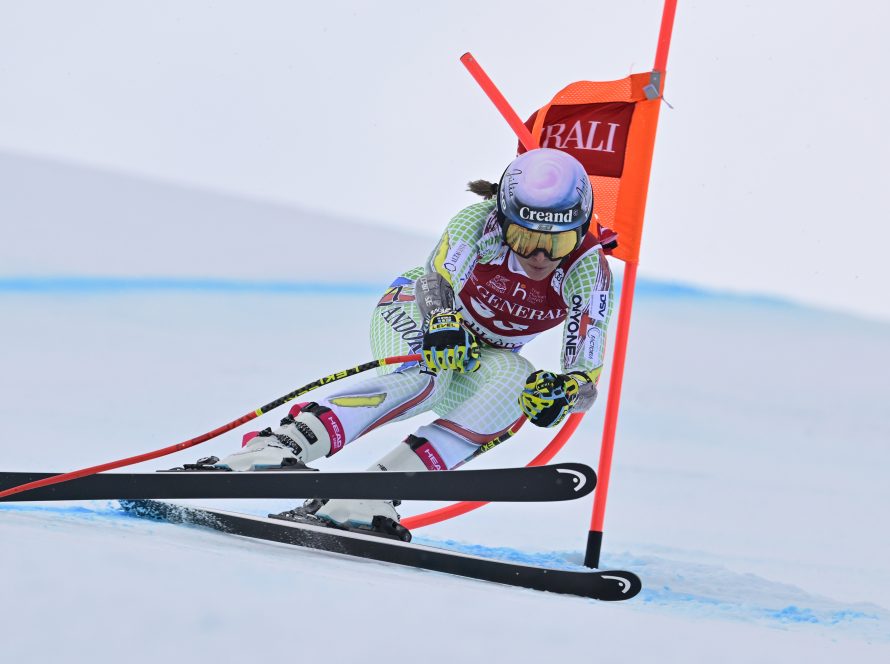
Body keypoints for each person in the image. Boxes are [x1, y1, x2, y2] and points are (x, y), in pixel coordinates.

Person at [200, 147, 614, 541]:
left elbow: (586, 381)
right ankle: (279, 444)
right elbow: (435, 280)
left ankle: (367, 497)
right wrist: (440, 322)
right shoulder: (479, 221)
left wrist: (564, 394)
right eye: (524, 239)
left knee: (516, 386)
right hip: (418, 312)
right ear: (502, 219)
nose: (540, 255)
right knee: (427, 376)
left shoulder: (587, 269)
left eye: (557, 241)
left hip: (481, 355)